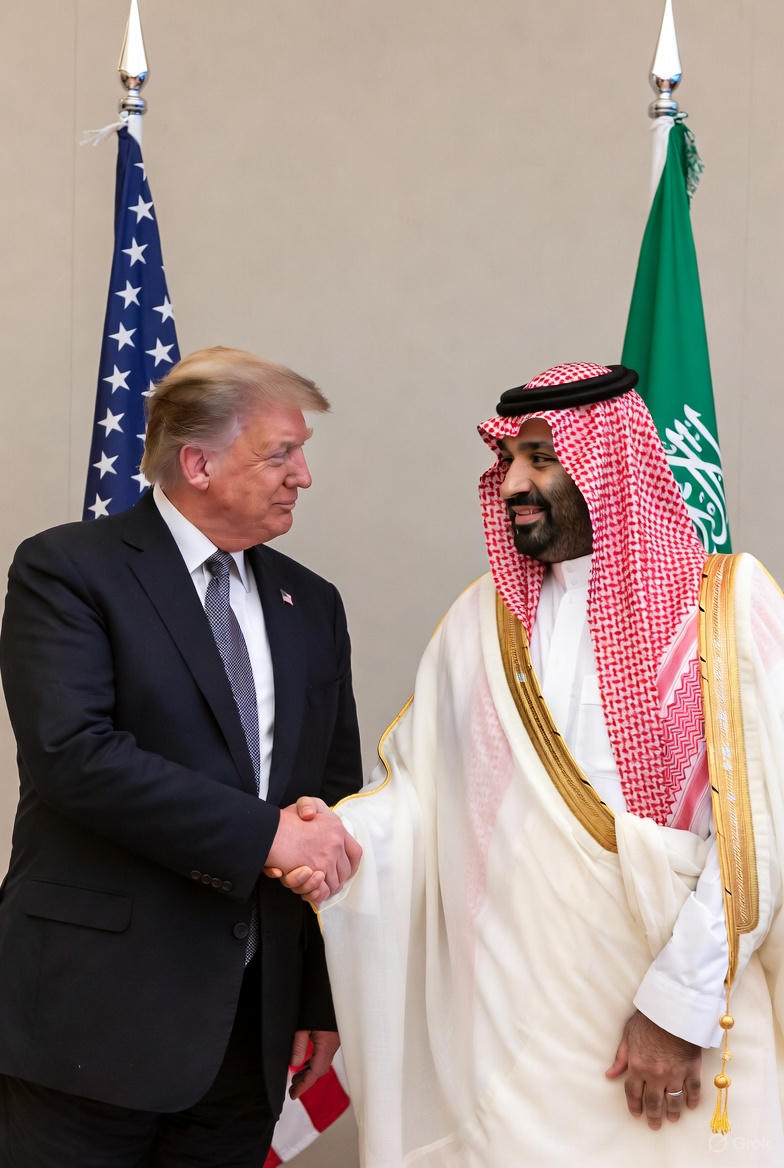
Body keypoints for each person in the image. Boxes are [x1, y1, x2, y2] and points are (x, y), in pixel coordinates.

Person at [293, 362, 784, 1166]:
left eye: (541, 459)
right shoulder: (480, 621)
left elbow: (758, 829)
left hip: (678, 1016)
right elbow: (423, 799)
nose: (513, 481)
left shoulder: (726, 606)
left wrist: (679, 1006)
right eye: (508, 460)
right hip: (516, 1022)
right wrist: (336, 839)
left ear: (609, 466)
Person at [0, 346, 363, 1167]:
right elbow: (74, 755)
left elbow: (329, 797)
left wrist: (317, 995)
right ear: (196, 463)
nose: (301, 475)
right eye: (281, 453)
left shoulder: (312, 603)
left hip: (251, 1028)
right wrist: (268, 837)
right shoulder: (69, 570)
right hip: (92, 1017)